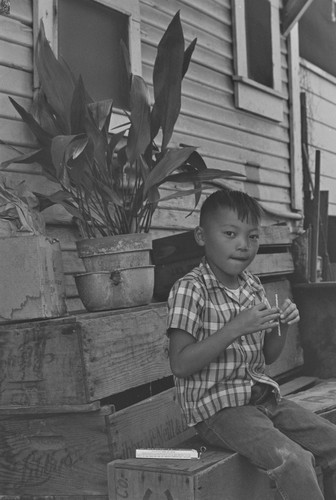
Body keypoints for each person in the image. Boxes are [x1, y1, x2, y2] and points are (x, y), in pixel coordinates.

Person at [167, 189, 336, 500]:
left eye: (253, 236)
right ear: (202, 236)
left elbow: (267, 356)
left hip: (264, 400)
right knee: (294, 459)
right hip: (219, 411)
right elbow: (180, 363)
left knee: (332, 443)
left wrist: (281, 326)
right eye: (230, 234)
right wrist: (234, 328)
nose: (243, 245)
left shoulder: (251, 286)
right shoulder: (190, 289)